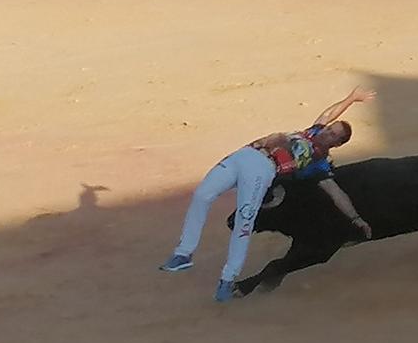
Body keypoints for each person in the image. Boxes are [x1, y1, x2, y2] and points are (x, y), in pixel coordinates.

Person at [159, 87, 377, 302]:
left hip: (264, 168)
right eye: (330, 129)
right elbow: (329, 114)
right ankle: (183, 254)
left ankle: (227, 280)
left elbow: (335, 192)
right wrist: (351, 99)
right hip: (245, 153)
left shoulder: (318, 165)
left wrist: (355, 218)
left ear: (337, 144)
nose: (327, 132)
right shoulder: (311, 132)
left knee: (245, 220)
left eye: (333, 135)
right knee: (202, 195)